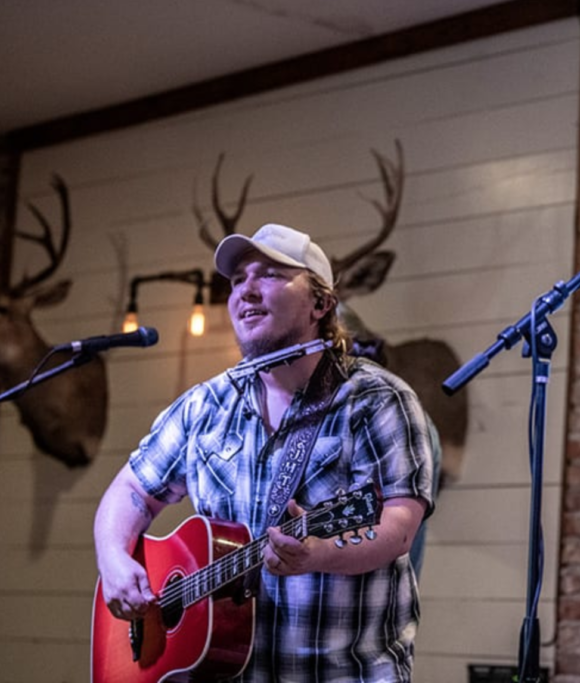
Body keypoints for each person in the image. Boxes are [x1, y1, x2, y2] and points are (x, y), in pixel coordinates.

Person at [93, 223, 434, 682]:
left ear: (321, 303)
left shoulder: (375, 400)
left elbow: (398, 526)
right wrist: (113, 558)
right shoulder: (204, 407)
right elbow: (132, 489)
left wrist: (317, 553)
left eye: (270, 275)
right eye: (237, 281)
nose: (246, 291)